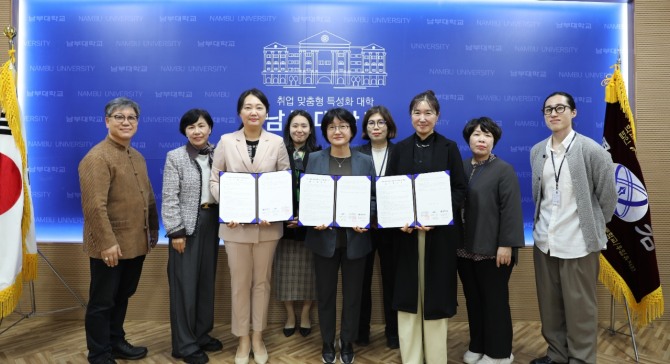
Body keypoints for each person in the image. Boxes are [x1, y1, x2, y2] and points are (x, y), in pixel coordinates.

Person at [529, 91, 617, 364]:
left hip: (578, 245)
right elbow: (539, 196)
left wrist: (591, 227)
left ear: (573, 112)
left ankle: (580, 359)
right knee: (550, 307)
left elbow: (608, 199)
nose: (553, 113)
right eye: (548, 110)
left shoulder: (591, 151)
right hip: (545, 242)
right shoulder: (537, 151)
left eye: (560, 108)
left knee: (580, 310)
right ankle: (557, 355)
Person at [385, 90, 467, 364]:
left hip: (439, 235)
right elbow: (389, 191)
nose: (423, 118)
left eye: (428, 113)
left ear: (437, 116)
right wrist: (399, 220)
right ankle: (411, 357)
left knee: (435, 293)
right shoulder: (398, 149)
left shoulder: (449, 147)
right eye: (417, 113)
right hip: (406, 236)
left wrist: (437, 216)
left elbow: (460, 189)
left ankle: (435, 357)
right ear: (410, 116)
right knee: (408, 293)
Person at [209, 88, 290, 364]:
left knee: (262, 283)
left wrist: (276, 209)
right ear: (240, 112)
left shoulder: (277, 143)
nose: (253, 112)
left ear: (267, 112)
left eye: (259, 107)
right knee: (240, 284)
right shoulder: (225, 141)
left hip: (268, 227)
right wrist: (229, 206)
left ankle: (258, 336)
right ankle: (242, 339)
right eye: (248, 107)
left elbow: (284, 181)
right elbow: (215, 180)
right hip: (235, 226)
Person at [78, 97, 159, 364]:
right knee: (102, 302)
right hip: (110, 247)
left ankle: (115, 341)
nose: (126, 122)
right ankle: (99, 353)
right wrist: (106, 243)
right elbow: (94, 207)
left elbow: (147, 197)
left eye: (132, 118)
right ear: (107, 121)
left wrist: (154, 230)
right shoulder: (97, 157)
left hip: (135, 242)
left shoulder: (136, 155)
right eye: (119, 117)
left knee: (122, 296)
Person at [303, 108, 375, 364]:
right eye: (332, 127)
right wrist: (313, 220)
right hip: (324, 240)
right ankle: (327, 341)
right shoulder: (314, 159)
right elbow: (307, 197)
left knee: (353, 296)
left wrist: (365, 219)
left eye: (343, 126)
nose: (337, 131)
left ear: (353, 131)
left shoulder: (365, 161)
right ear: (325, 132)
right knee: (325, 295)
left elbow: (374, 199)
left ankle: (346, 342)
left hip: (356, 241)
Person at [457, 117, 524, 364]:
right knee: (473, 299)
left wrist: (506, 244)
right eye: (476, 134)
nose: (481, 139)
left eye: (487, 135)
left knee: (494, 301)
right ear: (468, 139)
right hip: (464, 249)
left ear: (494, 141)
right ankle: (478, 344)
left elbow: (512, 211)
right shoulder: (461, 167)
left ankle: (499, 352)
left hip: (495, 250)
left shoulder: (503, 170)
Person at [162, 109, 222, 364]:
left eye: (201, 126)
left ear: (210, 128)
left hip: (213, 223)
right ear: (184, 132)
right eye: (190, 127)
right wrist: (176, 231)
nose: (196, 131)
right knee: (184, 286)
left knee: (206, 282)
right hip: (186, 227)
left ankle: (201, 334)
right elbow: (169, 197)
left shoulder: (221, 153)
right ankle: (184, 345)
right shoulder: (175, 157)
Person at [353, 105, 399, 349]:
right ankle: (361, 332)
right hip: (363, 227)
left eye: (381, 122)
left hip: (393, 228)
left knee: (392, 280)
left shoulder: (400, 152)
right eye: (371, 123)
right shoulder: (356, 153)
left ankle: (394, 332)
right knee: (362, 281)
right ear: (365, 128)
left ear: (389, 126)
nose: (376, 127)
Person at [273, 110, 321, 338]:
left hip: (311, 225)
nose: (299, 130)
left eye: (304, 126)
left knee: (310, 273)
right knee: (284, 273)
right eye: (295, 126)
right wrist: (284, 215)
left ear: (311, 129)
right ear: (288, 129)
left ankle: (305, 314)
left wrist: (305, 216)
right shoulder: (278, 153)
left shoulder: (320, 154)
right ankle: (290, 315)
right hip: (283, 224)